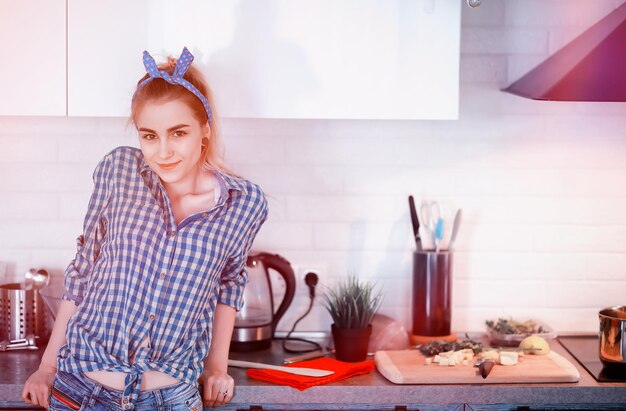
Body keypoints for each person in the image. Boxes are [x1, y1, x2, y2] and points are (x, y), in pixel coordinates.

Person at [22, 47, 268, 410]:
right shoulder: (118, 170)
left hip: (170, 397)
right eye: (150, 135)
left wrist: (217, 367)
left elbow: (229, 285)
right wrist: (46, 367)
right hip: (81, 390)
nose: (163, 151)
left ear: (204, 129)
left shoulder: (243, 203)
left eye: (178, 133)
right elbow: (83, 271)